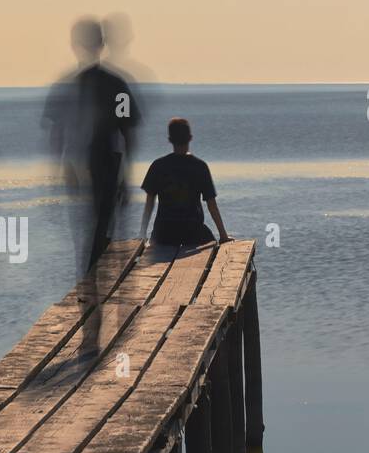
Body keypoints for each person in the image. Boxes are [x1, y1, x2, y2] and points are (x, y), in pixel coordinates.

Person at [41, 17, 142, 277]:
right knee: (103, 229)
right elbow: (127, 130)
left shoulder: (66, 86)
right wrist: (126, 175)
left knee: (86, 233)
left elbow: (56, 132)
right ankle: (98, 283)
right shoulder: (116, 84)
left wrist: (56, 172)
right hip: (106, 162)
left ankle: (89, 285)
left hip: (79, 166)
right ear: (102, 44)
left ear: (75, 44)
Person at [139, 117, 231, 247]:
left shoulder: (158, 166)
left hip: (164, 233)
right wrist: (223, 236)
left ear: (170, 140)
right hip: (192, 232)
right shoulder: (200, 167)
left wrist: (142, 234)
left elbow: (149, 204)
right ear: (190, 138)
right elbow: (212, 205)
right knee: (212, 241)